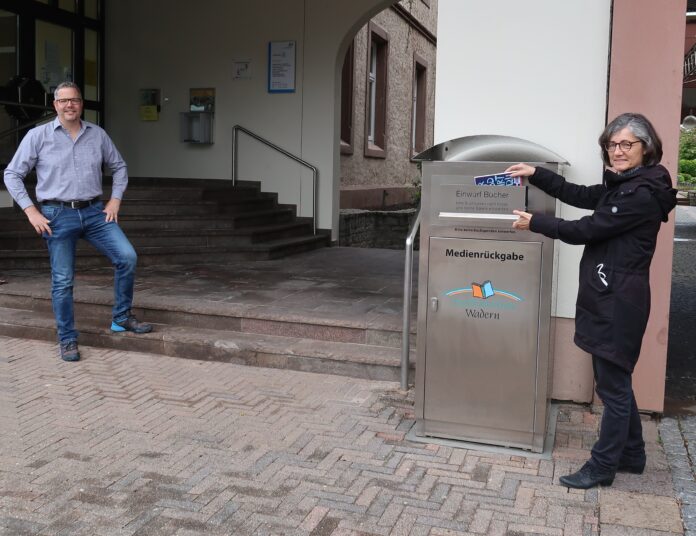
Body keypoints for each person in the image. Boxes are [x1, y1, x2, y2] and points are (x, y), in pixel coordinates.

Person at [506, 113, 677, 489]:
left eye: (626, 144)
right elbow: (581, 195)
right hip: (610, 294)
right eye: (611, 145)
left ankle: (602, 467)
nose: (616, 151)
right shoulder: (624, 185)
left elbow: (587, 229)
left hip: (618, 301)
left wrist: (535, 223)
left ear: (645, 149)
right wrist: (536, 173)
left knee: (612, 387)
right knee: (616, 380)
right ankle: (633, 454)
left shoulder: (641, 195)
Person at [3, 81, 152, 362]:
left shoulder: (97, 135)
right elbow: (12, 174)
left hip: (96, 212)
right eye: (63, 101)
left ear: (81, 104)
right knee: (63, 280)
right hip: (57, 215)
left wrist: (116, 199)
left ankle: (121, 317)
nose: (69, 105)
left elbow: (119, 167)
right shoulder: (38, 136)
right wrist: (30, 211)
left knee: (127, 257)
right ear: (55, 105)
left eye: (74, 100)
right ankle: (67, 339)